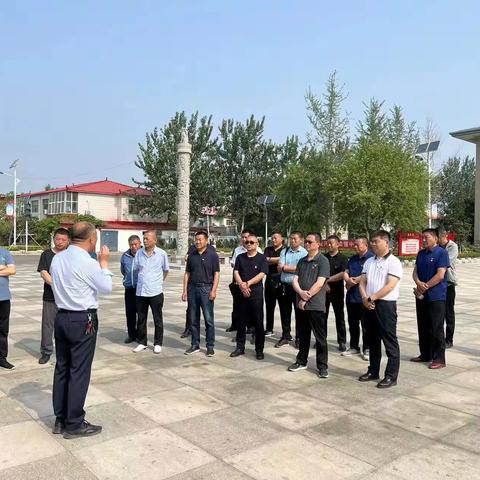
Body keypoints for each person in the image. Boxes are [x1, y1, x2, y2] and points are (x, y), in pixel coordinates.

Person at [50, 221, 112, 438]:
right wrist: (104, 264)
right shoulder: (89, 262)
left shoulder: (58, 258)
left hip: (61, 317)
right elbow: (106, 287)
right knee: (79, 371)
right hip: (82, 319)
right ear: (91, 239)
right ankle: (74, 423)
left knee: (62, 368)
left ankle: (60, 419)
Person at [358, 230, 402, 388]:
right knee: (372, 340)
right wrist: (364, 298)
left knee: (389, 341)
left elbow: (390, 285)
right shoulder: (369, 261)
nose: (373, 244)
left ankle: (391, 375)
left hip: (385, 306)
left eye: (376, 241)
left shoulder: (394, 262)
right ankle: (373, 370)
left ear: (386, 242)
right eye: (372, 241)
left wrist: (372, 298)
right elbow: (362, 281)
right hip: (368, 305)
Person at [287, 232, 330, 378]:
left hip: (315, 304)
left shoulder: (323, 261)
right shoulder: (302, 261)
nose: (307, 244)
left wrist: (306, 297)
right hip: (301, 303)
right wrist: (300, 292)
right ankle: (301, 361)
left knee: (320, 337)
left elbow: (320, 283)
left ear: (318, 244)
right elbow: (295, 280)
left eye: (310, 242)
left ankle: (322, 366)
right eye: (306, 241)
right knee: (303, 335)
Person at [411, 228, 450, 369]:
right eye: (423, 237)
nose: (424, 240)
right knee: (423, 326)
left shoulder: (441, 253)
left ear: (435, 238)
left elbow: (440, 275)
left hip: (436, 296)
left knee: (436, 327)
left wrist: (425, 286)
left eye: (426, 237)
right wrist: (418, 282)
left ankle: (439, 358)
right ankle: (425, 354)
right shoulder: (421, 253)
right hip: (421, 295)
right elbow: (415, 271)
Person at [182, 231, 220, 356]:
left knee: (209, 319)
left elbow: (216, 273)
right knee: (193, 319)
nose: (198, 241)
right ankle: (195, 344)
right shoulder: (192, 255)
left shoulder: (212, 255)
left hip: (206, 289)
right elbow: (187, 273)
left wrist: (213, 290)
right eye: (196, 239)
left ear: (206, 240)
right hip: (192, 289)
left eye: (200, 239)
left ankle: (210, 346)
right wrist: (185, 290)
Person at [231, 233, 268, 360]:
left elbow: (262, 273)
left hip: (256, 294)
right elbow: (236, 271)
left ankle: (259, 349)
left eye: (252, 242)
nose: (249, 244)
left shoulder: (262, 258)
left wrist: (248, 283)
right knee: (241, 322)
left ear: (257, 244)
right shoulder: (240, 257)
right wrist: (241, 284)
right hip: (242, 294)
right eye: (247, 242)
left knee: (258, 323)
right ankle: (240, 347)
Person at [133, 230, 170, 354]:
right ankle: (142, 342)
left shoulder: (161, 254)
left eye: (147, 239)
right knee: (141, 319)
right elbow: (137, 269)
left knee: (157, 319)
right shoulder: (139, 253)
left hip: (155, 292)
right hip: (141, 292)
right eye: (144, 238)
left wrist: (158, 282)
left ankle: (158, 343)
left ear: (154, 240)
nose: (144, 241)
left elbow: (165, 270)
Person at [37, 227, 70, 364]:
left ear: (68, 241)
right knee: (48, 325)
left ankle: (67, 351)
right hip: (50, 296)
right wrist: (57, 287)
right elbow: (43, 272)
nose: (60, 242)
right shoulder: (47, 254)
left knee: (67, 325)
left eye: (63, 239)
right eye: (57, 239)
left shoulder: (71, 255)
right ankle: (46, 351)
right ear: (54, 239)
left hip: (68, 298)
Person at [343, 236, 374, 360]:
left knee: (366, 324)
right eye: (354, 244)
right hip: (351, 296)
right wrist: (348, 279)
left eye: (357, 244)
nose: (354, 246)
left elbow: (368, 275)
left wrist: (355, 280)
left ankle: (367, 347)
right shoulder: (353, 259)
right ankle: (354, 347)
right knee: (352, 323)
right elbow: (346, 271)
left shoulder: (371, 258)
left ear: (365, 245)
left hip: (364, 296)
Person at [275, 231, 307, 348]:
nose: (292, 241)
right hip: (284, 286)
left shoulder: (304, 253)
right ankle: (286, 335)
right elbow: (279, 267)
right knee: (284, 312)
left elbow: (301, 269)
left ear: (301, 240)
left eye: (295, 239)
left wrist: (285, 268)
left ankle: (299, 337)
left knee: (299, 313)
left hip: (297, 287)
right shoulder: (285, 251)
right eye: (291, 238)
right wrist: (287, 268)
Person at [227, 229, 262, 333]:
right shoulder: (238, 250)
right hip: (238, 283)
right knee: (237, 307)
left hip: (253, 286)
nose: (245, 240)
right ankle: (236, 327)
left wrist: (247, 283)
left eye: (247, 238)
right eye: (243, 238)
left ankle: (252, 328)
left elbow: (260, 271)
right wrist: (241, 283)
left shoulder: (258, 251)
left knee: (253, 309)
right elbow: (234, 266)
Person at [324, 235, 348, 352]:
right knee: (323, 316)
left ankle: (342, 341)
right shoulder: (323, 258)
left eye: (331, 243)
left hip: (337, 291)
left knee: (340, 317)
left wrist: (327, 280)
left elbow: (343, 274)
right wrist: (324, 283)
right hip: (323, 291)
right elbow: (319, 273)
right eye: (328, 243)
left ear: (338, 244)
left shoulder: (343, 258)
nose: (329, 245)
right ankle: (322, 339)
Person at [120, 235, 141, 344]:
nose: (133, 247)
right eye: (131, 245)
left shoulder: (143, 254)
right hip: (129, 288)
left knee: (141, 313)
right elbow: (123, 270)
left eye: (135, 244)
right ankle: (131, 335)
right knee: (130, 313)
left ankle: (140, 335)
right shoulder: (125, 256)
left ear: (140, 243)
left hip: (141, 289)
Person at [439, 228, 458, 348]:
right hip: (438, 284)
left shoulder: (452, 246)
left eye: (439, 237)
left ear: (445, 236)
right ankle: (438, 338)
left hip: (449, 283)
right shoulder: (437, 248)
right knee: (438, 313)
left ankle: (449, 339)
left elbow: (447, 262)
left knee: (449, 313)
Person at [264, 232, 284, 336]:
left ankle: (286, 332)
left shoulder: (285, 250)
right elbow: (264, 260)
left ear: (282, 239)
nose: (273, 240)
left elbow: (283, 261)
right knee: (269, 305)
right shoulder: (268, 249)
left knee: (284, 307)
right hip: (269, 279)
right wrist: (277, 260)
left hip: (281, 280)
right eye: (272, 238)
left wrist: (270, 260)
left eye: (275, 238)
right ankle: (269, 328)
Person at [0, 248, 16, 370]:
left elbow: (12, 270)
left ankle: (2, 358)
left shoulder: (5, 252)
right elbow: (7, 269)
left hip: (4, 297)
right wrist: (2, 268)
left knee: (3, 330)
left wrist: (7, 269)